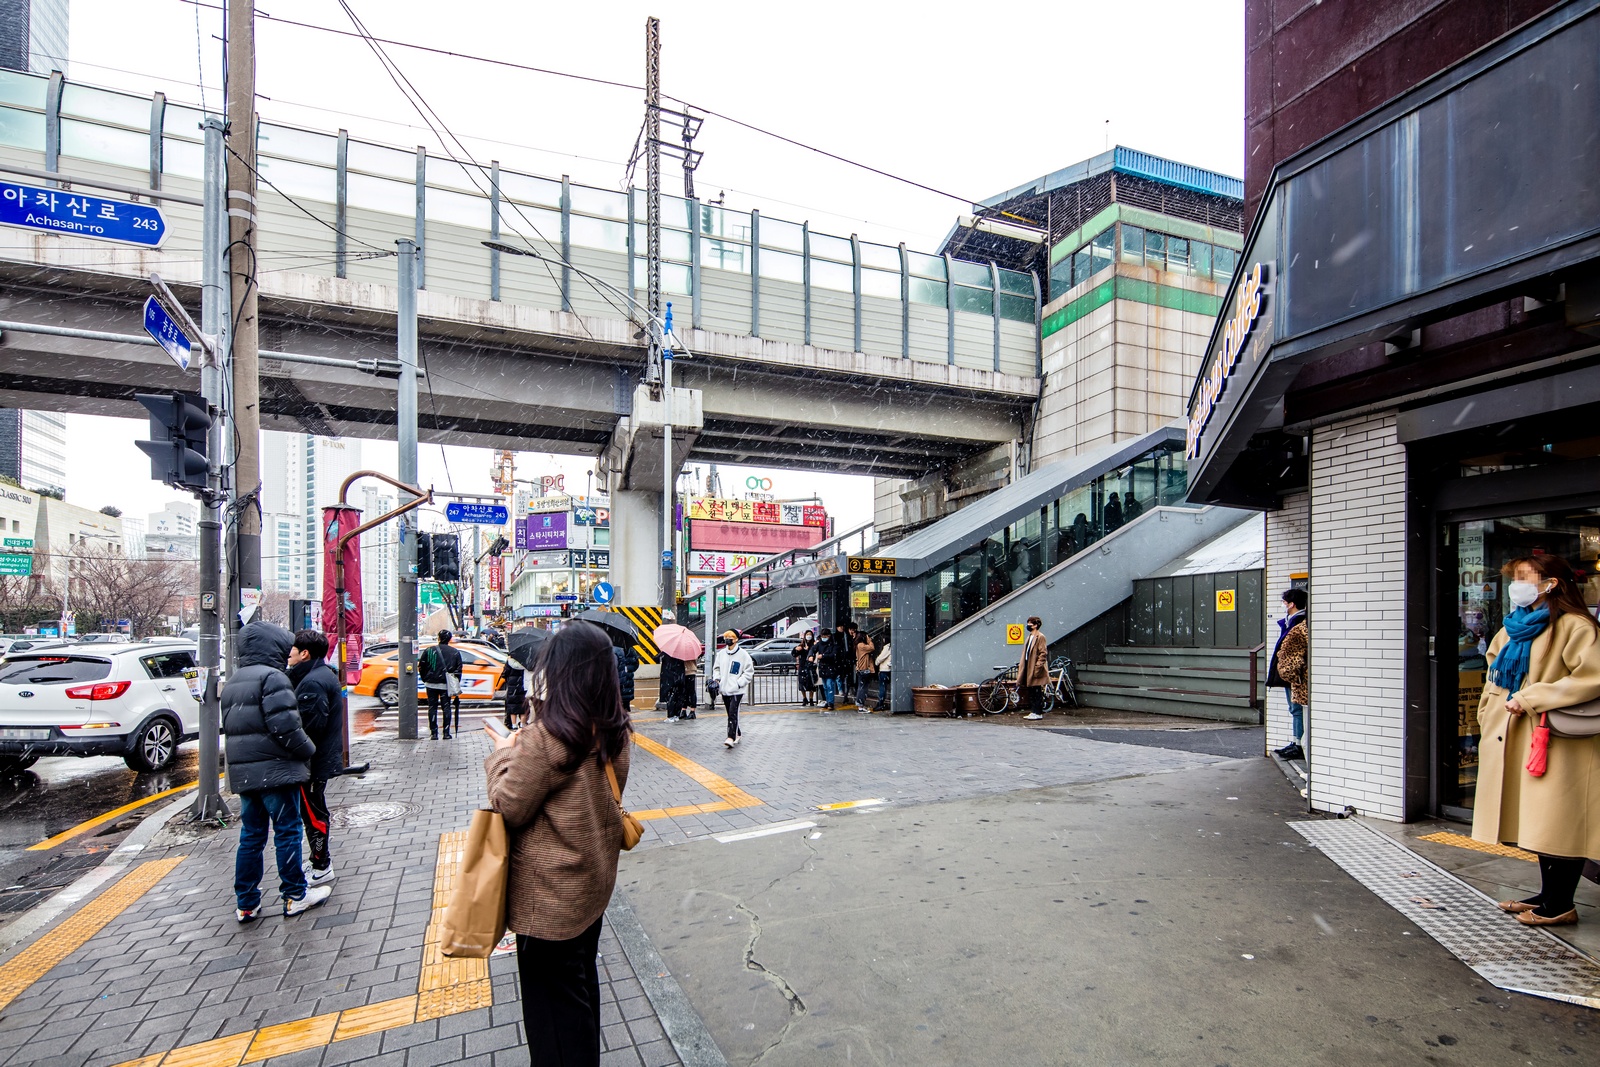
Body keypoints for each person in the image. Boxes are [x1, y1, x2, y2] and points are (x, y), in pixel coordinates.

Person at [484, 621, 632, 1067]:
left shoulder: (548, 736)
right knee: (580, 989)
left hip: (548, 904)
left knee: (553, 1020)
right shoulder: (615, 729)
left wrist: (502, 753)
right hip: (591, 888)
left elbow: (508, 806)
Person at [1473, 555, 1600, 927]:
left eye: (1525, 578)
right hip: (1514, 733)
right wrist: (1487, 711)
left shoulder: (1576, 626)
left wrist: (1533, 697)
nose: (1517, 585)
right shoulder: (1513, 626)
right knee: (1538, 820)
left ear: (1552, 583)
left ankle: (1561, 903)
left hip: (1558, 737)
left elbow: (1591, 677)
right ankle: (1549, 895)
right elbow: (1493, 673)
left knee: (1559, 819)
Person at [222, 621, 330, 921]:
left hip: (246, 775)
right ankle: (295, 894)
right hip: (277, 772)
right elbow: (286, 728)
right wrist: (309, 750)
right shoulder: (273, 678)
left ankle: (246, 903)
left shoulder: (234, 681)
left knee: (251, 836)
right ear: (273, 647)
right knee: (288, 832)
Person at [287, 629, 342, 886]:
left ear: (305, 653)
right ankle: (319, 860)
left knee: (313, 814)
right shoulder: (321, 674)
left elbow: (310, 727)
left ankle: (321, 864)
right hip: (318, 758)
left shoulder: (312, 682)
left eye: (292, 651)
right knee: (314, 811)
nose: (289, 655)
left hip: (312, 761)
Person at [1268, 589, 1309, 760]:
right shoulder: (1291, 621)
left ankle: (1298, 744)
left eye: (1285, 601)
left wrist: (1290, 671)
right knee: (1295, 710)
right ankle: (1296, 742)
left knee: (1297, 709)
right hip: (1293, 673)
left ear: (1292, 604)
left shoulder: (1298, 623)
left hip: (1296, 675)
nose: (1283, 604)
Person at [712, 629, 754, 748]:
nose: (727, 640)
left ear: (736, 639)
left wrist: (739, 683)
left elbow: (749, 671)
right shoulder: (721, 654)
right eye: (726, 637)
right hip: (724, 689)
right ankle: (738, 732)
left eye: (730, 637)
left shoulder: (743, 655)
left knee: (733, 712)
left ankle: (731, 737)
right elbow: (717, 668)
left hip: (737, 690)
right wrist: (717, 679)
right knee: (730, 713)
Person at [419, 630, 463, 739]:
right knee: (446, 707)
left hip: (431, 684)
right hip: (446, 685)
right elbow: (459, 670)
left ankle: (434, 733)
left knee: (432, 707)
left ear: (438, 638)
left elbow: (421, 666)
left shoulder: (429, 651)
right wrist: (455, 682)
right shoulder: (455, 652)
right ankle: (446, 732)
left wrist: (425, 678)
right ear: (450, 639)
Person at [1018, 615, 1049, 720]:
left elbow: (1043, 653)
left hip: (1035, 667)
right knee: (1031, 690)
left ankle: (1038, 712)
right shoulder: (1029, 637)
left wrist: (1037, 667)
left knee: (1036, 690)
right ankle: (1033, 711)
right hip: (1028, 666)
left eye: (1030, 623)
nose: (1028, 625)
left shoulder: (1040, 637)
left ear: (1035, 625)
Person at [853, 629, 877, 714]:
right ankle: (860, 705)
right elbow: (872, 647)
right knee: (863, 688)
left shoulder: (858, 645)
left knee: (862, 687)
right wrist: (869, 640)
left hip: (861, 669)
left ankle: (860, 704)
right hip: (864, 669)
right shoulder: (861, 645)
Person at [660, 648, 686, 722]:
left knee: (671, 697)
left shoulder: (666, 652)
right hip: (679, 677)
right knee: (678, 696)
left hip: (670, 678)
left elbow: (656, 659)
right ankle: (676, 715)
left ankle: (670, 716)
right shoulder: (681, 653)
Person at [613, 640, 638, 712]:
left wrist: (626, 669)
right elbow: (635, 664)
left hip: (622, 683)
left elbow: (635, 664)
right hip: (626, 682)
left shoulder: (613, 650)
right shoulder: (630, 650)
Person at [794, 631, 817, 706]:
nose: (809, 636)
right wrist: (798, 649)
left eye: (810, 634)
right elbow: (794, 654)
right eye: (807, 634)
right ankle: (804, 698)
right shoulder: (802, 644)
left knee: (812, 683)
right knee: (802, 683)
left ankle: (811, 699)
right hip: (802, 666)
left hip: (811, 666)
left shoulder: (814, 644)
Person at [875, 639, 892, 711]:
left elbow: (880, 658)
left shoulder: (887, 647)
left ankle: (880, 703)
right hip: (890, 670)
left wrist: (876, 661)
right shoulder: (895, 646)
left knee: (882, 687)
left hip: (884, 669)